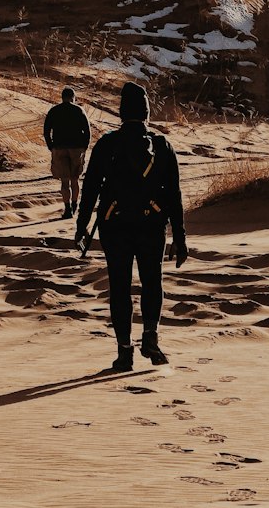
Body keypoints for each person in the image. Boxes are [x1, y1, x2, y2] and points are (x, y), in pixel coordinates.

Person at [75, 81, 188, 372]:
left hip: (115, 226)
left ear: (121, 113)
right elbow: (174, 195)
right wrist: (180, 236)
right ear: (147, 113)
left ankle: (124, 352)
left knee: (120, 287)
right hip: (152, 226)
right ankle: (150, 336)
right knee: (153, 282)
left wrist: (82, 226)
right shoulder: (162, 146)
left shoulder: (107, 144)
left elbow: (90, 189)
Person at [43, 86, 91, 219]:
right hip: (76, 149)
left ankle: (67, 208)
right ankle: (75, 205)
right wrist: (84, 147)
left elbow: (46, 130)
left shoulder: (54, 111)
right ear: (73, 98)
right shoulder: (79, 110)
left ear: (62, 97)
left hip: (59, 148)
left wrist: (51, 146)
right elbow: (87, 131)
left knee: (64, 181)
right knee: (75, 180)